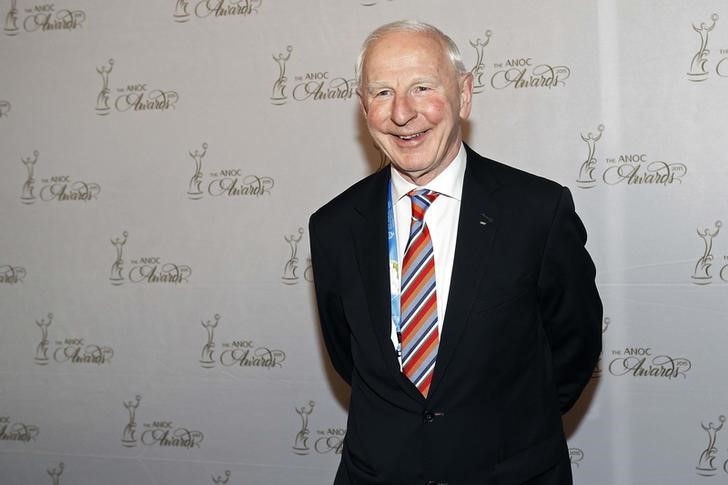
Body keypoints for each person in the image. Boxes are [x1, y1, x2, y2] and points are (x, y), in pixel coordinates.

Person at [309, 20, 602, 485]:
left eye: (422, 87)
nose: (402, 114)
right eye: (382, 93)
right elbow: (350, 357)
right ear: (364, 107)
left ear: (464, 95)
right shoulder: (333, 227)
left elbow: (573, 349)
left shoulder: (537, 212)